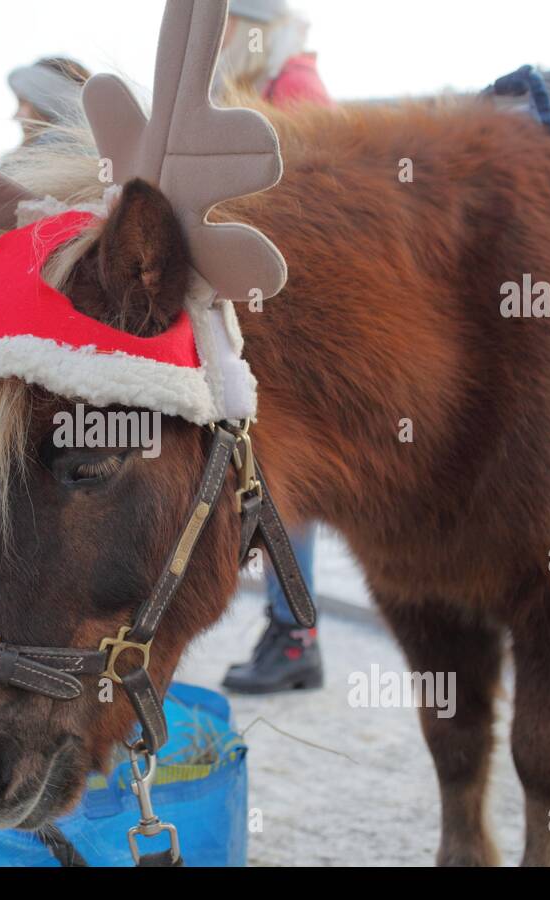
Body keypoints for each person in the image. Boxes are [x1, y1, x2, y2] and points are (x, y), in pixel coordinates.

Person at [218, 0, 331, 695]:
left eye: (226, 23)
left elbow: (306, 222)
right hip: (266, 315)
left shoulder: (294, 94)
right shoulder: (259, 89)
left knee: (283, 489)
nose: (216, 38)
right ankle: (290, 627)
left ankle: (296, 635)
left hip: (294, 323)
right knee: (269, 487)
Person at [6, 57, 91, 147]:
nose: (15, 116)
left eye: (22, 102)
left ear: (50, 104)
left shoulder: (49, 156)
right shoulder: (99, 153)